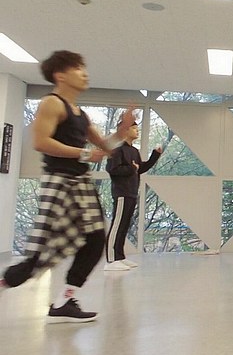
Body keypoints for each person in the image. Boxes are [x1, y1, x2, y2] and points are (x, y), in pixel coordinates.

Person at [0, 50, 134, 323]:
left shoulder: (81, 114)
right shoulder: (52, 103)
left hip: (80, 183)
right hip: (60, 182)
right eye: (78, 68)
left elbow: (104, 147)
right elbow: (41, 142)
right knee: (42, 251)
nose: (84, 73)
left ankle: (64, 300)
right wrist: (83, 154)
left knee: (95, 240)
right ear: (60, 75)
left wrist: (121, 133)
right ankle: (5, 282)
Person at [104, 120, 162, 271]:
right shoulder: (117, 150)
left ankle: (120, 257)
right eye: (134, 128)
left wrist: (155, 156)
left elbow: (140, 168)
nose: (137, 130)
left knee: (124, 226)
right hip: (121, 193)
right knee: (117, 225)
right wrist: (131, 168)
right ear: (124, 130)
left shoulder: (134, 151)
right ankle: (111, 260)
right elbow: (112, 170)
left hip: (131, 192)